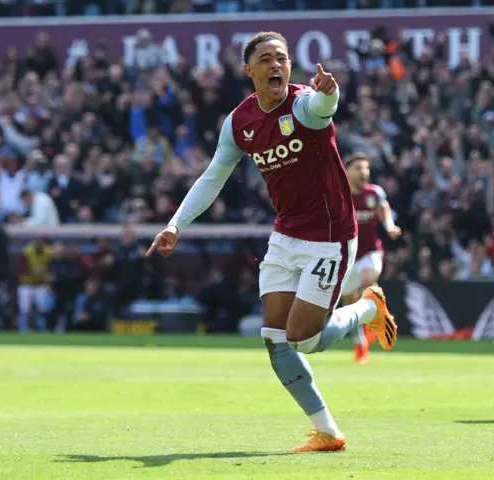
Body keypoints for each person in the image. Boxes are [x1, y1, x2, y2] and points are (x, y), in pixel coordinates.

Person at [147, 31, 397, 453]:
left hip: (330, 234)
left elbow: (322, 109)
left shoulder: (303, 103)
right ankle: (328, 431)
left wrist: (329, 95)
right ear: (249, 71)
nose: (276, 65)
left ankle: (369, 307)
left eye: (281, 58)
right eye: (265, 59)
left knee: (303, 338)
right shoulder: (239, 123)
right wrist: (176, 224)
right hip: (285, 232)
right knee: (274, 336)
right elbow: (213, 177)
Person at [340, 153, 402, 364]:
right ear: (346, 171)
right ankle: (360, 344)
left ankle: (379, 318)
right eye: (358, 168)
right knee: (350, 304)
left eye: (366, 168)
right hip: (345, 259)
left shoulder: (373, 193)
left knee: (368, 278)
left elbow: (383, 208)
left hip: (370, 252)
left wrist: (389, 225)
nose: (364, 172)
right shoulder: (337, 194)